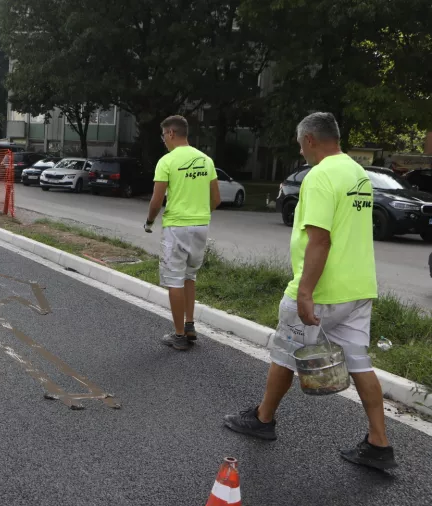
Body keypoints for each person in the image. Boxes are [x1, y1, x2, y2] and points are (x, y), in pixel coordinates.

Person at [224, 112, 395, 470]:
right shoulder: (357, 174)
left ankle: (263, 418)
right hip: (359, 288)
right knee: (360, 363)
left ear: (311, 140)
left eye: (301, 143)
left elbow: (320, 239)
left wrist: (305, 292)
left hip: (322, 290)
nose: (301, 150)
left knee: (285, 351)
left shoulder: (319, 176)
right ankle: (379, 443)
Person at [144, 115, 221, 350]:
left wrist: (149, 221)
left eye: (163, 136)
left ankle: (179, 336)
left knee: (175, 280)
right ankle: (189, 325)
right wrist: (198, 213)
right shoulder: (206, 160)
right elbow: (216, 199)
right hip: (201, 226)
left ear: (170, 133)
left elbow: (157, 200)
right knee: (189, 276)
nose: (163, 141)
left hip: (177, 227)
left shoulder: (167, 161)